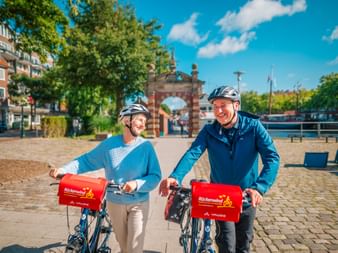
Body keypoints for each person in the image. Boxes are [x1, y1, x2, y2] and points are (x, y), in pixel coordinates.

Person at [159, 86, 280, 253]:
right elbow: (193, 153)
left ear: (236, 105)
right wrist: (175, 176)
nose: (218, 111)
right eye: (215, 106)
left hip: (246, 196)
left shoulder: (254, 127)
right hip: (221, 196)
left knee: (244, 244)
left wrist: (259, 187)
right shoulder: (209, 131)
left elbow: (272, 158)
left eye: (223, 105)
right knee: (226, 244)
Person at [50, 103, 162, 253]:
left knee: (134, 248)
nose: (143, 125)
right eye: (140, 120)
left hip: (139, 203)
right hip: (115, 203)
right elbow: (85, 161)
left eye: (144, 121)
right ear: (126, 121)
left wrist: (136, 184)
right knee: (124, 247)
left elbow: (155, 176)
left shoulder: (146, 147)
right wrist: (63, 170)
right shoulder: (109, 145)